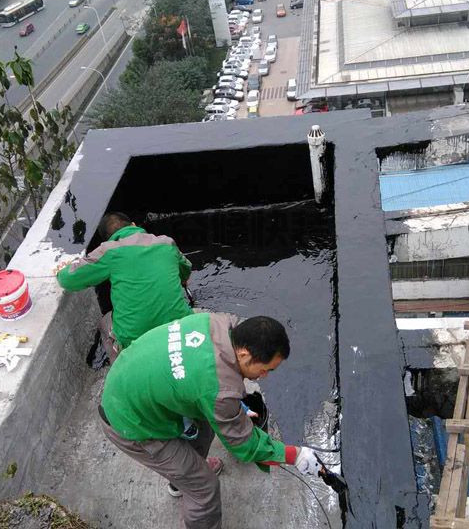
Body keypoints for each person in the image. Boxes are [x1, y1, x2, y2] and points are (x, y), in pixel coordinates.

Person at [98, 313, 320, 528]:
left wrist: (237, 406)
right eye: (265, 369)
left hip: (127, 383)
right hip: (129, 422)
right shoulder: (219, 391)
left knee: (206, 424)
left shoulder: (213, 323)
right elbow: (244, 444)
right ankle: (189, 485)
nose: (265, 376)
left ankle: (180, 481)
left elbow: (204, 382)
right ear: (244, 354)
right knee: (204, 488)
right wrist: (294, 455)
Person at [56, 212, 192, 362]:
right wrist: (183, 278)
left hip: (135, 338)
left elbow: (68, 279)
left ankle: (122, 364)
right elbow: (186, 268)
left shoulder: (108, 250)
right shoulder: (167, 243)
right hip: (181, 326)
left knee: (106, 321)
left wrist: (63, 269)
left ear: (108, 239)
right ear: (134, 225)